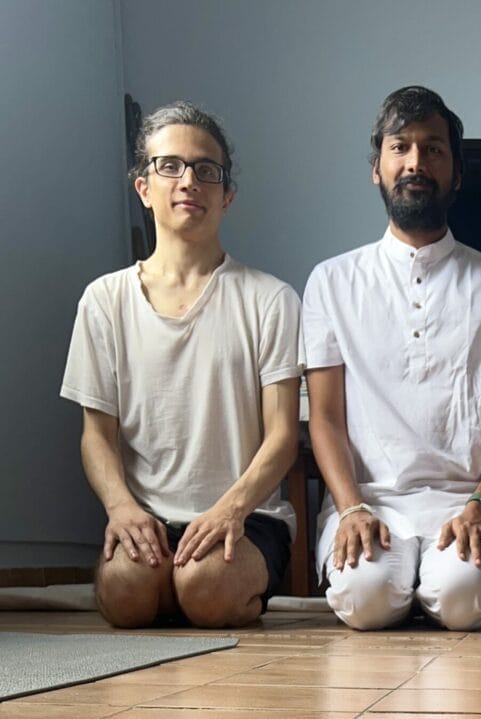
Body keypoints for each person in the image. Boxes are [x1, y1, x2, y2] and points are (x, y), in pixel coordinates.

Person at [303, 86, 481, 631]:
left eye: (433, 149)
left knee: (461, 600)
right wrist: (349, 508)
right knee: (365, 601)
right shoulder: (332, 281)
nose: (416, 162)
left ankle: (430, 584)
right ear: (377, 168)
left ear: (456, 172)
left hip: (469, 501)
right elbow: (325, 418)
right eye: (400, 147)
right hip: (369, 502)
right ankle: (408, 583)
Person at [60, 101, 303, 628]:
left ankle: (189, 590)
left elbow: (283, 436)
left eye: (205, 170)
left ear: (227, 195)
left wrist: (230, 509)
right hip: (146, 516)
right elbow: (95, 435)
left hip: (247, 515)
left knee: (205, 587)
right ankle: (166, 586)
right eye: (169, 165)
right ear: (144, 189)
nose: (188, 180)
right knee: (127, 596)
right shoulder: (104, 300)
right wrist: (121, 508)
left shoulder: (271, 299)